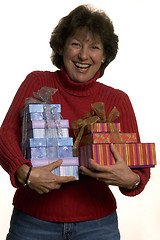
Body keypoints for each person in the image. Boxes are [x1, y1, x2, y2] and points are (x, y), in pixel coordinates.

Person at [0, 4, 150, 240]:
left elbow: (139, 169)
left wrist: (131, 180)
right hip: (33, 222)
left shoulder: (117, 100)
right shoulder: (37, 82)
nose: (83, 55)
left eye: (94, 47)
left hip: (98, 226)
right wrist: (24, 173)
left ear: (104, 56)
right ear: (61, 46)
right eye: (76, 44)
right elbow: (5, 135)